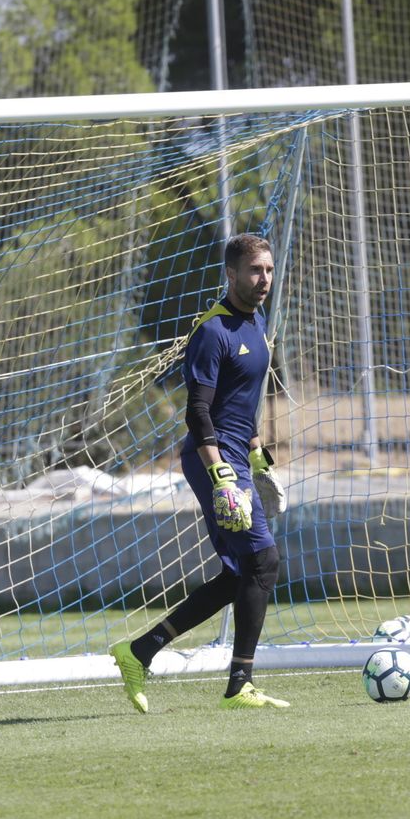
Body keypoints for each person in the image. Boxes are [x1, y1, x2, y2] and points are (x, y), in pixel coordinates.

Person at [109, 233, 290, 711]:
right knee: (264, 562)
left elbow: (241, 402)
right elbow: (199, 412)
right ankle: (239, 685)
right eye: (255, 270)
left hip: (238, 456)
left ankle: (139, 651)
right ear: (231, 274)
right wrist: (222, 474)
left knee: (238, 574)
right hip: (213, 459)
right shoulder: (212, 331)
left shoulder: (256, 322)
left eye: (269, 270)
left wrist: (257, 455)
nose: (264, 279)